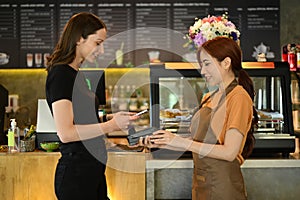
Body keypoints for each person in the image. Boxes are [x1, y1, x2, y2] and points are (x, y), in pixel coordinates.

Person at [145, 36, 258, 200]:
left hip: (223, 189)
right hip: (201, 186)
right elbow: (200, 141)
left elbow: (229, 152)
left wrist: (182, 142)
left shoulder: (238, 97)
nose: (203, 71)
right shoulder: (211, 97)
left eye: (207, 64)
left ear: (226, 63)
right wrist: (164, 141)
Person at [45, 12, 138, 200]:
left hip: (91, 172)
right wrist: (110, 126)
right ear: (79, 39)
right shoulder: (61, 75)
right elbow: (66, 133)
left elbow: (81, 118)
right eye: (98, 43)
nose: (101, 50)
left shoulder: (76, 74)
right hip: (76, 177)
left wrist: (109, 119)